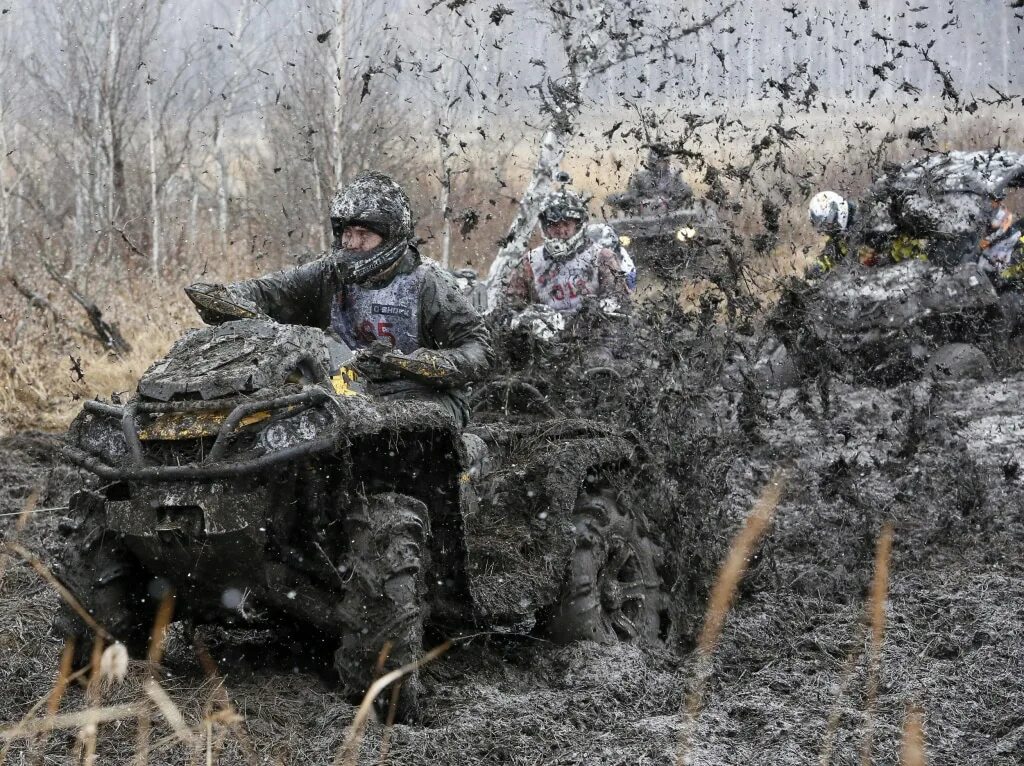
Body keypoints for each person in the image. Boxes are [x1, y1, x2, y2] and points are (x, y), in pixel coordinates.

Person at [187, 170, 492, 429]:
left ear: (391, 236)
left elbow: (480, 349)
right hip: (344, 391)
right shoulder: (329, 273)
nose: (352, 243)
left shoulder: (428, 283)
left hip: (424, 397)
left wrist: (420, 364)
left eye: (363, 233)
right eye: (347, 232)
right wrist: (228, 301)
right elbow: (269, 292)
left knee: (384, 435)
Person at [500, 187, 631, 314]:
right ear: (545, 228)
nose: (561, 231)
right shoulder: (531, 261)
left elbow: (618, 297)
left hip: (591, 331)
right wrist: (526, 316)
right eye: (555, 225)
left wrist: (596, 309)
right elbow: (512, 305)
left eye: (567, 224)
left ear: (578, 225)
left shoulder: (601, 256)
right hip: (544, 332)